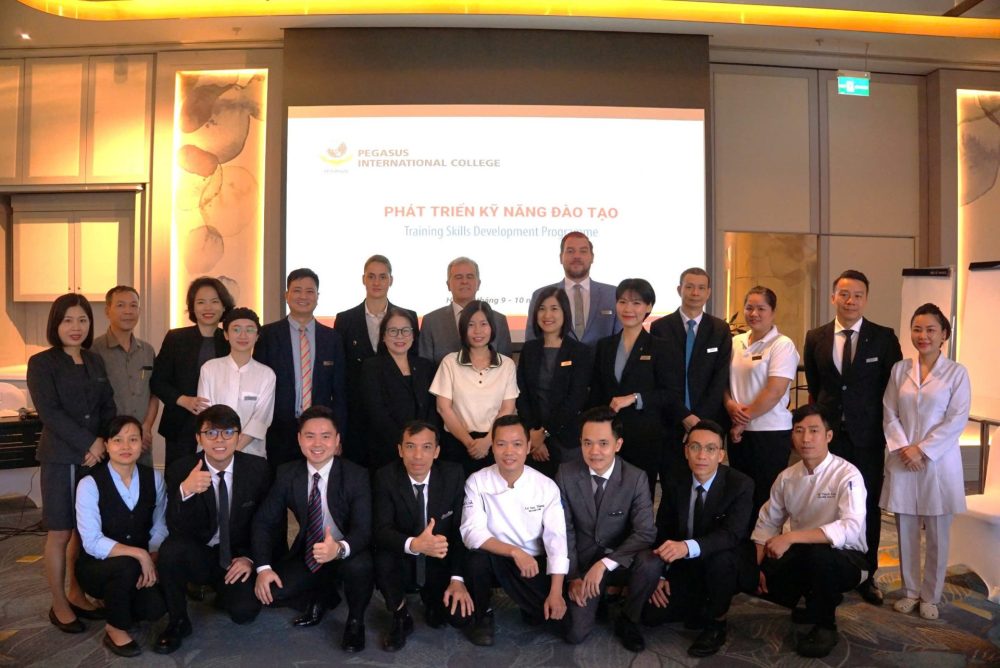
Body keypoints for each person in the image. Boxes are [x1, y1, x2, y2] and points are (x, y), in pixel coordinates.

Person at [804, 269, 903, 605]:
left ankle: (867, 573)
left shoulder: (884, 338)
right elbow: (816, 386)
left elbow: (892, 389)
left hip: (867, 438)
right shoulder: (815, 337)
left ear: (866, 299)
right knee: (825, 502)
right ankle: (828, 569)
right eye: (844, 294)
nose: (850, 301)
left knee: (866, 505)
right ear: (833, 296)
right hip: (829, 438)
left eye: (858, 295)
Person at [27, 292, 116, 633]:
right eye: (67, 320)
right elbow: (50, 413)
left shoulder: (95, 360)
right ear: (56, 324)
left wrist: (103, 441)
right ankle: (59, 603)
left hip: (95, 457)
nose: (76, 327)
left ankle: (77, 593)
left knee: (84, 530)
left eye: (82, 320)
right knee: (61, 531)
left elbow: (107, 405)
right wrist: (89, 443)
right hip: (61, 458)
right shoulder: (42, 363)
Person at [251, 406, 374, 653]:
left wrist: (338, 549)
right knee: (270, 593)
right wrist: (263, 568)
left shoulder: (356, 475)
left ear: (337, 440)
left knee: (360, 567)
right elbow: (263, 521)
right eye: (309, 436)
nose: (317, 444)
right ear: (299, 439)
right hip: (310, 551)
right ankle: (324, 594)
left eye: (325, 436)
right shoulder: (287, 473)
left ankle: (355, 621)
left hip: (347, 549)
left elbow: (363, 529)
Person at [752, 404, 868, 659]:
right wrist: (757, 567)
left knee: (820, 557)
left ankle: (826, 625)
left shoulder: (847, 474)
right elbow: (767, 522)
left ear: (829, 436)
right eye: (799, 430)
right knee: (750, 571)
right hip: (803, 552)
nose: (806, 438)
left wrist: (790, 537)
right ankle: (813, 603)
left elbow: (850, 528)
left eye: (814, 431)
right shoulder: (787, 477)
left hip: (848, 557)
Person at [155, 404, 273, 654]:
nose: (220, 440)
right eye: (211, 433)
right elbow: (174, 527)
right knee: (171, 551)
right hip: (199, 553)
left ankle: (222, 591)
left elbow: (269, 523)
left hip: (237, 557)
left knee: (244, 613)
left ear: (238, 436)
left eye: (228, 432)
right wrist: (186, 490)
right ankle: (178, 620)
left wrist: (251, 559)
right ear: (198, 438)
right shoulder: (181, 469)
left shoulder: (257, 469)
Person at [882, 303, 971, 620]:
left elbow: (956, 419)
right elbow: (889, 411)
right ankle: (910, 591)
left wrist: (922, 450)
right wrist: (904, 448)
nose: (923, 336)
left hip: (938, 463)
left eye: (931, 329)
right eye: (917, 329)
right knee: (905, 528)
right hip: (903, 459)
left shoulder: (957, 373)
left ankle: (930, 595)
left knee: (937, 534)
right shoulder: (900, 369)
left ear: (944, 334)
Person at [640, 419, 755, 658]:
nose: (702, 455)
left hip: (724, 562)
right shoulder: (675, 480)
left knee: (721, 561)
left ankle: (717, 624)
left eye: (710, 449)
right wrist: (659, 575)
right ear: (686, 451)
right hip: (686, 565)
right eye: (695, 447)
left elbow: (731, 535)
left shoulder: (740, 484)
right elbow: (663, 530)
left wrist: (686, 547)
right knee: (650, 616)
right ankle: (700, 603)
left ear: (721, 455)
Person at [460, 415, 568, 646]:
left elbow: (556, 540)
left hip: (532, 563)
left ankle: (529, 605)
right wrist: (514, 552)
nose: (509, 451)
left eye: (517, 444)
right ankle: (483, 613)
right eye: (501, 444)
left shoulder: (546, 486)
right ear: (492, 447)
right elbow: (471, 532)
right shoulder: (477, 481)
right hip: (495, 556)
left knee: (564, 625)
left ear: (528, 447)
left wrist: (556, 592)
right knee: (475, 560)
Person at [556, 407, 657, 651]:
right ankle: (599, 600)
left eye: (603, 443)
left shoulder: (636, 478)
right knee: (575, 633)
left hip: (621, 562)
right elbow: (563, 529)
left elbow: (645, 532)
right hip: (583, 563)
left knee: (651, 563)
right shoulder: (566, 473)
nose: (594, 451)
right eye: (587, 443)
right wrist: (573, 576)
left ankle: (629, 618)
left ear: (618, 444)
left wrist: (605, 564)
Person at [373, 421, 474, 651]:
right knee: (381, 556)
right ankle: (400, 615)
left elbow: (460, 530)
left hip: (440, 558)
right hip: (403, 556)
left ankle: (433, 600)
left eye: (426, 447)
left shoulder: (453, 475)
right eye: (410, 447)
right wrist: (415, 544)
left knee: (459, 618)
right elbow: (381, 530)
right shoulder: (385, 477)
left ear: (436, 451)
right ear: (400, 450)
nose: (418, 456)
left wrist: (457, 579)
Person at [75, 415, 167, 657]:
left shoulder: (154, 478)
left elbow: (161, 524)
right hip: (97, 567)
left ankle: (117, 600)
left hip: (140, 565)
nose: (126, 446)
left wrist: (151, 556)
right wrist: (139, 555)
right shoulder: (89, 484)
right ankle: (115, 627)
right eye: (117, 440)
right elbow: (91, 542)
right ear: (106, 445)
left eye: (133, 439)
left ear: (141, 443)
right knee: (126, 565)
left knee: (154, 609)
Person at [589, 278, 680, 499]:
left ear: (649, 307)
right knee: (607, 496)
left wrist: (635, 398)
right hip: (608, 438)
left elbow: (671, 393)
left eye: (636, 303)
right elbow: (597, 393)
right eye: (622, 302)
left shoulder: (661, 347)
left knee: (640, 498)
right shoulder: (605, 346)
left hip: (645, 438)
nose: (628, 309)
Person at [253, 268, 348, 469]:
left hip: (320, 432)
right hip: (278, 430)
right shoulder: (268, 335)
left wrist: (338, 435)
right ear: (286, 295)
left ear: (317, 296)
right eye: (297, 290)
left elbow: (340, 393)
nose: (303, 296)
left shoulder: (332, 339)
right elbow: (258, 385)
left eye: (309, 291)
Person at [724, 286, 799, 524]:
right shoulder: (735, 342)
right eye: (749, 308)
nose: (754, 313)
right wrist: (729, 404)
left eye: (761, 308)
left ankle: (765, 546)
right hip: (738, 433)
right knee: (740, 497)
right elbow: (723, 383)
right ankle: (742, 546)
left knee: (765, 500)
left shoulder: (782, 345)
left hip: (769, 433)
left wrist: (742, 421)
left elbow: (774, 391)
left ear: (773, 312)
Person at [649, 268, 732, 481]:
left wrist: (699, 421)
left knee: (705, 483)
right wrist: (683, 415)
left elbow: (719, 378)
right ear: (679, 289)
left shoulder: (720, 329)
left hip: (709, 421)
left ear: (708, 292)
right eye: (689, 287)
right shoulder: (660, 328)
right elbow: (658, 377)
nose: (695, 292)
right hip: (671, 420)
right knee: (671, 483)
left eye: (701, 288)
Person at [335, 255, 419, 465]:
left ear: (391, 280)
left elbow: (413, 364)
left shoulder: (408, 317)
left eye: (383, 277)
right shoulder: (345, 320)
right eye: (371, 276)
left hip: (396, 417)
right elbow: (342, 371)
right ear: (363, 279)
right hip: (358, 415)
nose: (377, 282)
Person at [151, 276, 233, 467]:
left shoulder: (229, 341)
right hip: (180, 425)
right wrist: (183, 400)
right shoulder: (176, 338)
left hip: (220, 428)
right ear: (192, 307)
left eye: (214, 302)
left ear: (224, 306)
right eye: (201, 302)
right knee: (179, 477)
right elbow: (157, 381)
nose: (208, 308)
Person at [430, 300, 518, 474]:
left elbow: (507, 409)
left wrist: (487, 442)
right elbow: (443, 408)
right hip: (456, 444)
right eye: (471, 325)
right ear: (463, 329)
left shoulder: (507, 365)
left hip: (494, 443)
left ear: (492, 327)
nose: (478, 331)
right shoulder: (450, 362)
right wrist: (469, 443)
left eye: (483, 324)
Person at [517, 286, 595, 477]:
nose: (547, 315)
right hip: (533, 440)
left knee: (569, 491)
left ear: (565, 312)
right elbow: (522, 394)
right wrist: (533, 433)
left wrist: (544, 434)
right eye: (542, 308)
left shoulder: (579, 351)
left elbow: (576, 398)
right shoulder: (529, 349)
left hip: (566, 439)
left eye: (554, 308)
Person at [359, 308, 438, 472]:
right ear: (383, 336)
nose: (400, 336)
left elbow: (433, 408)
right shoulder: (371, 367)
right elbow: (376, 412)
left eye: (405, 330)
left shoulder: (425, 366)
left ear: (413, 335)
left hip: (423, 451)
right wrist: (405, 444)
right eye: (393, 331)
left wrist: (423, 441)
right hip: (387, 450)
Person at [91, 285, 159, 467]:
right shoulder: (94, 350)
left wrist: (147, 427)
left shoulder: (147, 351)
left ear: (139, 310)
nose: (128, 311)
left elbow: (154, 394)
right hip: (108, 442)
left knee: (144, 483)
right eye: (121, 305)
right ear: (107, 311)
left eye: (133, 305)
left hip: (141, 441)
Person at [197, 307, 276, 458]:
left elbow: (261, 419)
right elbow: (205, 413)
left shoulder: (266, 374)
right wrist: (221, 447)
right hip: (212, 450)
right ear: (226, 334)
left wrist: (233, 450)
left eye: (250, 330)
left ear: (257, 336)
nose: (243, 335)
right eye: (236, 329)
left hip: (250, 453)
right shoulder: (209, 369)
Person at [525, 231, 620, 345]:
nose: (577, 256)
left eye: (583, 251)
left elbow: (621, 339)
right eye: (570, 251)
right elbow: (532, 342)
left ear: (592, 257)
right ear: (561, 258)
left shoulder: (613, 294)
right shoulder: (540, 294)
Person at [418, 257, 512, 364]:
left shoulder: (498, 320)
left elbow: (505, 364)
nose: (464, 281)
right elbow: (424, 366)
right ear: (448, 285)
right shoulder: (431, 321)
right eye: (458, 277)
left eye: (470, 277)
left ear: (478, 284)